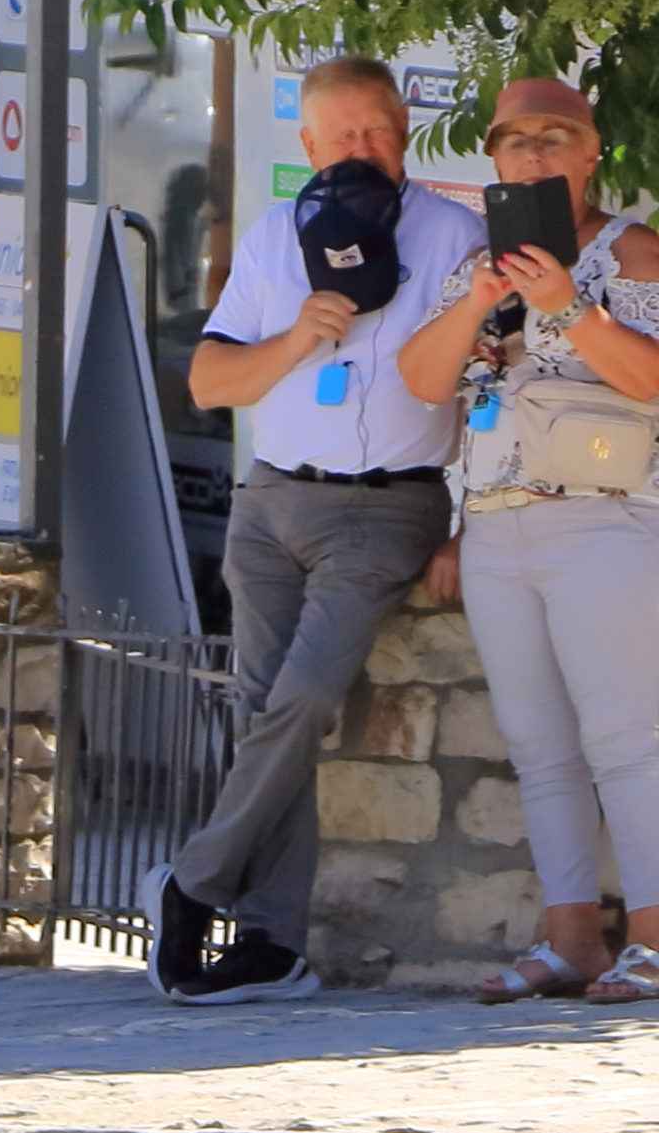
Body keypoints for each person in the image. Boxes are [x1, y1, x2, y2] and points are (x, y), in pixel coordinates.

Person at [140, 57, 485, 1004]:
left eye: (373, 131)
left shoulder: (457, 237)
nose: (358, 150)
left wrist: (470, 525)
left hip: (387, 508)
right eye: (338, 137)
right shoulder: (272, 236)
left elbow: (484, 389)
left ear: (403, 127)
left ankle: (194, 881)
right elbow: (212, 385)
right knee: (263, 715)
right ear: (308, 145)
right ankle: (273, 946)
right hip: (270, 504)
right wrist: (297, 336)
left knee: (300, 702)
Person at [397, 78, 659, 1005]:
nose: (536, 156)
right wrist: (479, 302)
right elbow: (426, 380)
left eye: (556, 139)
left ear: (591, 156)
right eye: (517, 142)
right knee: (541, 747)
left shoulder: (630, 251)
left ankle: (656, 946)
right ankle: (571, 941)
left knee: (629, 740)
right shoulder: (477, 261)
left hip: (611, 520)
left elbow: (652, 381)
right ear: (494, 161)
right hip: (500, 525)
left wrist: (568, 306)